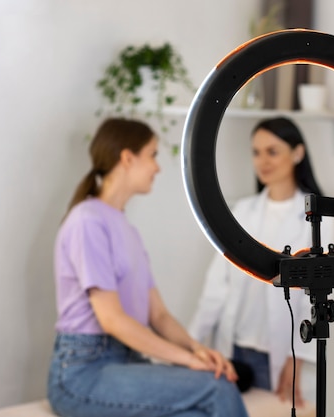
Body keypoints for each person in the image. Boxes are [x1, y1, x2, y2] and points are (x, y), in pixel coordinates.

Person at [47, 118, 249, 417]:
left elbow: (159, 315)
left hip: (124, 361)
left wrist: (197, 350)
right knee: (217, 387)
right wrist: (187, 361)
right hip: (83, 372)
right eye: (153, 155)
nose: (157, 167)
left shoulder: (128, 230)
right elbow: (112, 320)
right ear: (128, 158)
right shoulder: (88, 221)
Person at [189, 117, 334, 406]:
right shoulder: (242, 211)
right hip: (233, 348)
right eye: (256, 152)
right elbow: (217, 285)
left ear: (297, 153)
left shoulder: (317, 218)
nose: (263, 161)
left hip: (279, 353)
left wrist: (298, 358)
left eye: (272, 151)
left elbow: (316, 292)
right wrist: (191, 342)